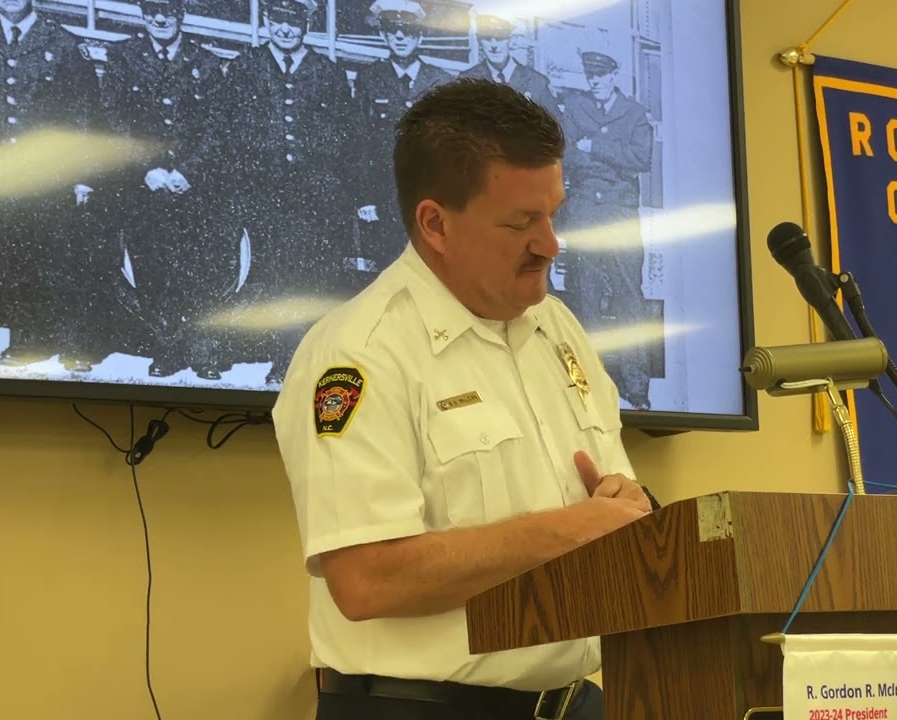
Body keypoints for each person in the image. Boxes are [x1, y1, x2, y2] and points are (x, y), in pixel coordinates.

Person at [273, 78, 655, 720]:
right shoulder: (359, 354)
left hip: (575, 703)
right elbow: (366, 579)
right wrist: (569, 530)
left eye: (553, 214)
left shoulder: (559, 330)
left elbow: (611, 508)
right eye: (521, 223)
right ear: (436, 224)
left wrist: (628, 509)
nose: (550, 244)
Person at [0, 0, 103, 372]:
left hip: (52, 175)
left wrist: (82, 174)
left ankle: (73, 345)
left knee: (62, 261)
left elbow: (84, 113)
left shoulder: (63, 41)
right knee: (12, 259)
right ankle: (25, 342)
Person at [97, 0, 239, 379]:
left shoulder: (206, 62)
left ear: (181, 15)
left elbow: (217, 126)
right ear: (143, 14)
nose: (160, 19)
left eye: (169, 10)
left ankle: (203, 352)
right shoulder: (122, 58)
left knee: (200, 269)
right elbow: (114, 120)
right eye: (151, 11)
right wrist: (147, 169)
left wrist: (189, 172)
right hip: (145, 186)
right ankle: (167, 349)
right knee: (153, 268)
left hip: (194, 188)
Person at [223, 0, 359, 388]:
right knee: (274, 274)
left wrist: (333, 186)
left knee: (313, 277)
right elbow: (232, 128)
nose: (285, 29)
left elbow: (345, 135)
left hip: (315, 196)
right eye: (278, 20)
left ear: (307, 24)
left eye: (294, 21)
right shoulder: (245, 66)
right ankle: (283, 359)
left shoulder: (328, 72)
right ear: (267, 21)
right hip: (265, 193)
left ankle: (312, 356)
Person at [557, 51, 656, 410]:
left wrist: (594, 145)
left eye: (600, 74)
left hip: (620, 215)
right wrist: (611, 156)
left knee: (630, 298)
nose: (594, 81)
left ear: (615, 75)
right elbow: (567, 154)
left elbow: (641, 158)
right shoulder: (574, 108)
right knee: (585, 297)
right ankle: (588, 382)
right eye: (590, 75)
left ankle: (636, 386)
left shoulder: (634, 113)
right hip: (584, 212)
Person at [352, 0, 454, 274]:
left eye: (407, 31)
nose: (400, 37)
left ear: (419, 36)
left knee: (433, 265)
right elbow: (361, 143)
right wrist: (365, 197)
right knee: (390, 266)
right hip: (386, 192)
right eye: (392, 30)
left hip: (432, 192)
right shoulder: (369, 78)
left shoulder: (440, 80)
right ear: (383, 34)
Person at [458, 14, 557, 117]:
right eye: (487, 38)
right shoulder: (467, 79)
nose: (494, 46)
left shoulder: (536, 81)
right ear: (479, 41)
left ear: (510, 39)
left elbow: (555, 120)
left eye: (500, 38)